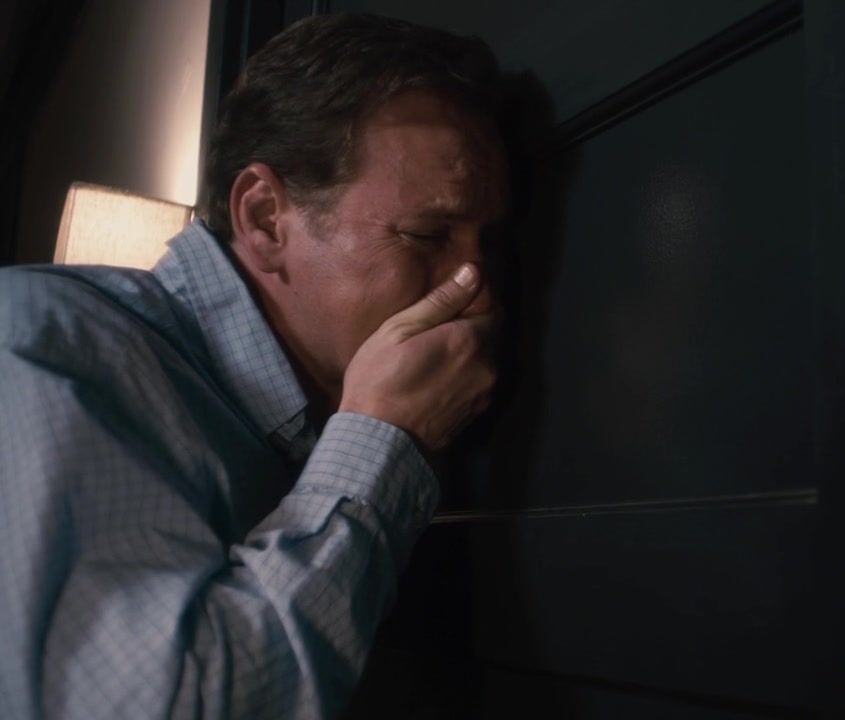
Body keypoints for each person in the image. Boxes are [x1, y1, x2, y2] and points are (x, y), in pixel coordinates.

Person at [0, 14, 505, 719]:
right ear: (266, 218)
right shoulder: (42, 344)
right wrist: (384, 439)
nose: (476, 286)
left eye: (487, 245)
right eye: (428, 234)